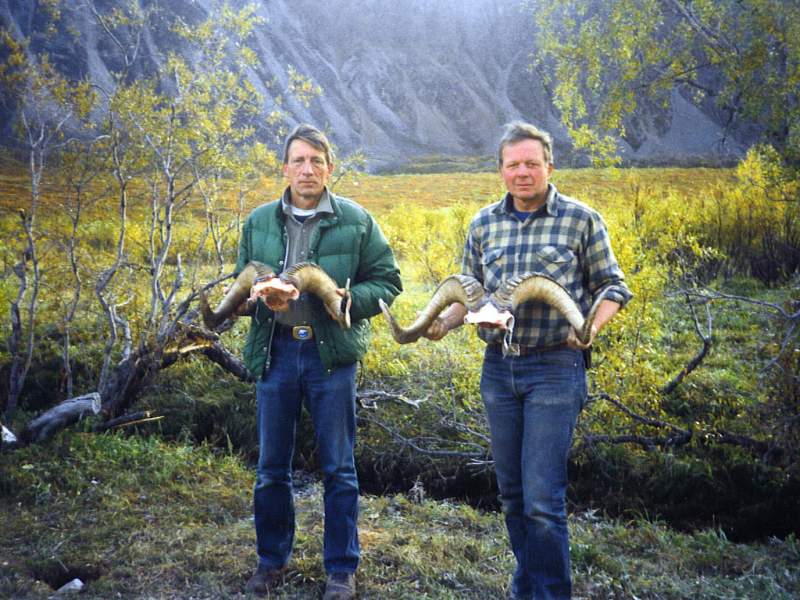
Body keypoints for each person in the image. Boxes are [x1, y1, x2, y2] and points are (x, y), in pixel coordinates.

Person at [424, 122, 632, 600]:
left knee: (542, 501)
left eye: (531, 164)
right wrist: (443, 322)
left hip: (556, 366)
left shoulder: (581, 219)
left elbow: (613, 287)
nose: (522, 172)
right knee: (513, 496)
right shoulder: (483, 224)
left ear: (549, 166)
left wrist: (591, 329)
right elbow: (468, 293)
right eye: (513, 164)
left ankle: (550, 593)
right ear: (500, 170)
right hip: (499, 368)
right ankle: (529, 587)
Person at [238, 124, 402, 599]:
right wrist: (254, 298)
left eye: (316, 160)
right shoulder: (259, 221)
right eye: (298, 160)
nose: (307, 169)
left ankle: (341, 570)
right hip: (277, 351)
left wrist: (349, 300)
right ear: (284, 167)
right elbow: (241, 279)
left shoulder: (356, 220)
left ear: (330, 168)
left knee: (339, 467)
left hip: (331, 357)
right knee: (271, 466)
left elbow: (388, 282)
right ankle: (271, 562)